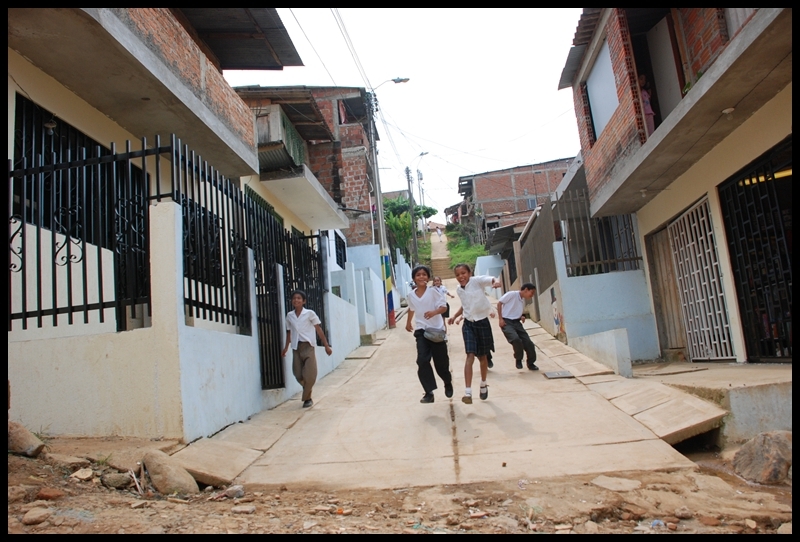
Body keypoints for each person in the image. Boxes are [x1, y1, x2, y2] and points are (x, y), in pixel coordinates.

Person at [447, 263, 501, 404]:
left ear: (470, 273)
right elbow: (464, 305)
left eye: (463, 273)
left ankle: (483, 383)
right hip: (468, 324)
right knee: (470, 355)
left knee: (482, 357)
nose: (461, 276)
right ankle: (468, 392)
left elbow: (491, 279)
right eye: (458, 275)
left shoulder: (477, 281)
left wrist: (496, 282)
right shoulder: (459, 290)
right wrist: (455, 316)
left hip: (482, 323)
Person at [405, 265, 453, 403]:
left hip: (436, 331)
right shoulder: (411, 295)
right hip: (421, 331)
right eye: (418, 275)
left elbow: (443, 307)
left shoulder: (434, 292)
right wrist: (408, 322)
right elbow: (412, 308)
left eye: (424, 274)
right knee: (422, 360)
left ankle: (447, 382)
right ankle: (429, 392)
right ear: (414, 278)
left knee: (441, 363)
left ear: (428, 277)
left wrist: (434, 312)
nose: (421, 277)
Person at [281, 290, 332, 408]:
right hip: (296, 347)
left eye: (299, 298)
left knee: (310, 374)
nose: (296, 300)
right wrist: (286, 348)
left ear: (304, 301)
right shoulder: (289, 316)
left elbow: (318, 329)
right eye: (294, 298)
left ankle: (307, 398)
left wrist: (326, 345)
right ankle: (307, 388)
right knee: (297, 373)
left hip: (308, 346)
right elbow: (289, 333)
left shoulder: (309, 314)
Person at [497, 283, 539, 370]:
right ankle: (518, 359)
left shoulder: (521, 299)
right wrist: (500, 319)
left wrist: (520, 316)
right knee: (516, 339)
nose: (532, 295)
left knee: (528, 343)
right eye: (531, 292)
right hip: (507, 322)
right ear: (526, 290)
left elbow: (513, 310)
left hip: (517, 322)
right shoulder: (512, 294)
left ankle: (531, 363)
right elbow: (499, 303)